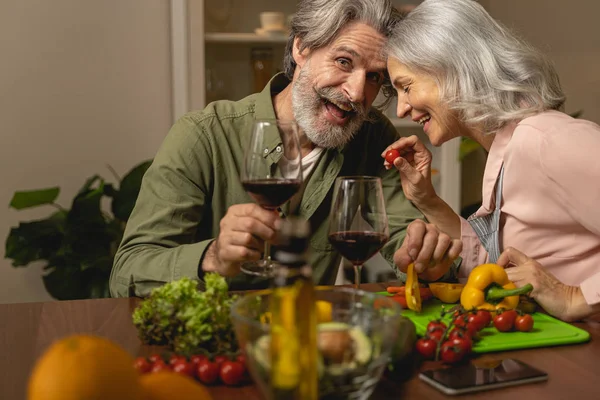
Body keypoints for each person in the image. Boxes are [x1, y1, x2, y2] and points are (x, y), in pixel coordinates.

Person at [109, 0, 463, 298]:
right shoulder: (203, 136)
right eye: (343, 61)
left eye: (374, 77)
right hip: (213, 348)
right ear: (301, 48)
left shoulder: (371, 137)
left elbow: (405, 242)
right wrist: (213, 257)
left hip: (309, 341)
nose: (357, 93)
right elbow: (127, 273)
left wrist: (423, 257)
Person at [384, 0, 600, 321]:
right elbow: (491, 263)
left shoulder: (546, 140)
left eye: (406, 87)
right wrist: (425, 198)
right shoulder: (507, 146)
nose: (400, 108)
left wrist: (575, 297)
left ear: (451, 67)